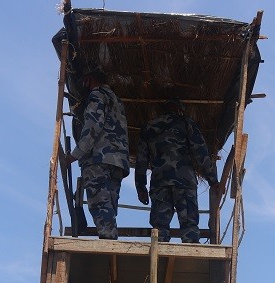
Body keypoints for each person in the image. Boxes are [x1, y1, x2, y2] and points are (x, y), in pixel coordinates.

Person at [135, 98, 220, 243]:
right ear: (180, 110)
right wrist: (212, 180)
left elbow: (141, 160)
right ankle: (192, 254)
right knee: (189, 224)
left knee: (159, 226)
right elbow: (201, 153)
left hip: (160, 182)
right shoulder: (186, 123)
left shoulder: (149, 127)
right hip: (184, 181)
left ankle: (158, 255)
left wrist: (140, 187)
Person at [63, 67, 129, 240]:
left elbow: (92, 126)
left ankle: (108, 246)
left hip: (98, 159)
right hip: (117, 162)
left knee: (100, 206)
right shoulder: (117, 101)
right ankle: (109, 240)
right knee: (109, 207)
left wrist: (74, 155)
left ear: (89, 80)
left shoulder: (97, 95)